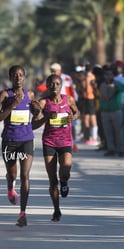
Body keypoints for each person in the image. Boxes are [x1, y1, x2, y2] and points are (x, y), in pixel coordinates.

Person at [0, 65, 36, 227]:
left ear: (24, 78)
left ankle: (22, 213)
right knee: (13, 174)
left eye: (20, 75)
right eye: (14, 75)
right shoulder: (5, 95)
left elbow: (36, 116)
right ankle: (10, 185)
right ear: (10, 78)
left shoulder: (30, 95)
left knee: (25, 175)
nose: (18, 78)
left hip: (26, 140)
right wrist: (11, 106)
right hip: (9, 140)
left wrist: (39, 113)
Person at [32, 74, 79, 222]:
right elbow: (33, 125)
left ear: (61, 85)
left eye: (57, 84)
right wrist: (46, 117)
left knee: (65, 169)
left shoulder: (68, 99)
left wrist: (74, 117)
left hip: (65, 141)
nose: (54, 87)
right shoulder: (43, 103)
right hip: (49, 142)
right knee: (52, 180)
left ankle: (64, 182)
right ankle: (56, 209)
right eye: (51, 84)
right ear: (47, 86)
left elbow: (77, 112)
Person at [98, 69, 124, 156]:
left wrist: (115, 87)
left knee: (118, 131)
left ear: (113, 76)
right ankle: (111, 148)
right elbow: (101, 96)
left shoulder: (117, 83)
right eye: (106, 75)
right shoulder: (102, 85)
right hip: (105, 111)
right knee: (107, 131)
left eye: (110, 75)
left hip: (116, 111)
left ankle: (121, 149)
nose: (108, 76)